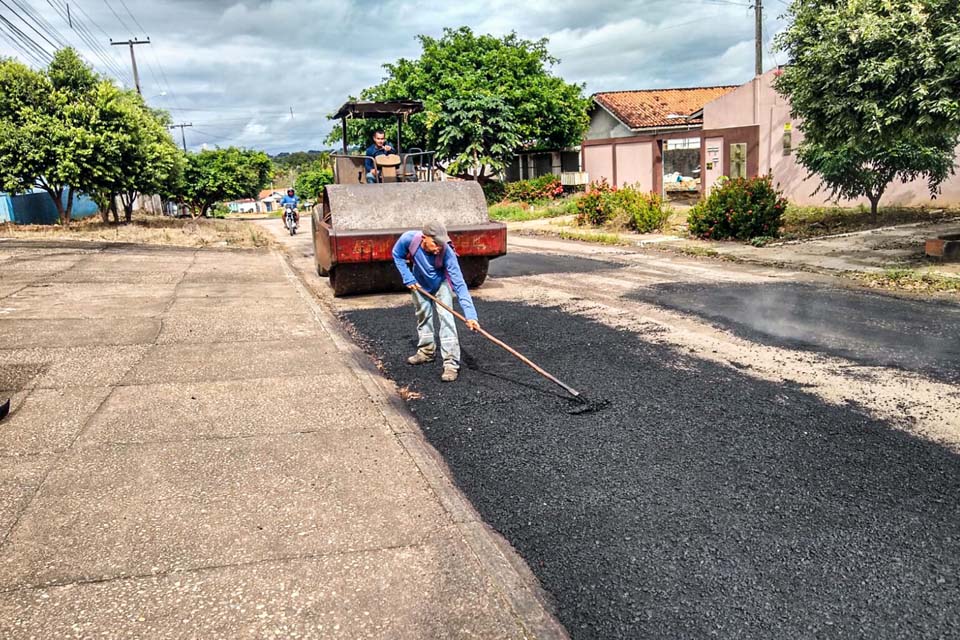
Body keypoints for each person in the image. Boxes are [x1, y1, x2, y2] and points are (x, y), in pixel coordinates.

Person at [392, 222, 480, 382]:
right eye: (436, 244)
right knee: (423, 316)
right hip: (418, 283)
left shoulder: (447, 253)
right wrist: (408, 277)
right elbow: (397, 255)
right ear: (424, 238)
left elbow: (459, 285)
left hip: (440, 284)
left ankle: (451, 364)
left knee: (447, 318)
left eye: (442, 244)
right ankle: (426, 352)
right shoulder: (408, 239)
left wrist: (471, 315)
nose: (439, 248)